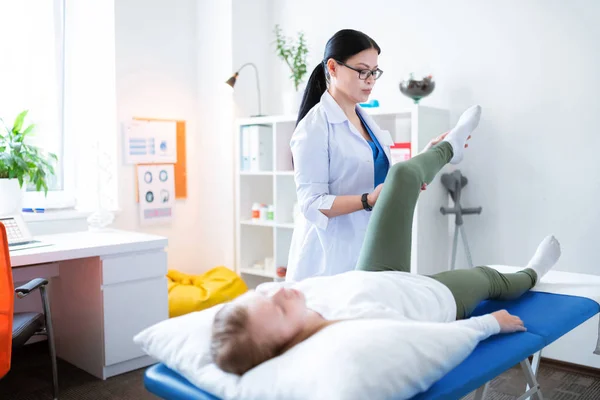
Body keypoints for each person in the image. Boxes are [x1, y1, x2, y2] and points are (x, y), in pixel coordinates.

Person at [210, 106, 562, 375]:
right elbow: (430, 342)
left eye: (372, 71)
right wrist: (489, 324)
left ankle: (451, 147)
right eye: (279, 308)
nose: (281, 292)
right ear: (286, 342)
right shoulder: (352, 337)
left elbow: (380, 171)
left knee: (404, 173)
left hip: (375, 270)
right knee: (487, 278)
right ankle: (534, 272)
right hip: (427, 297)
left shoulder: (302, 297)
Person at [287, 29, 452, 281]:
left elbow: (378, 173)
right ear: (333, 67)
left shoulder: (365, 119)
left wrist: (422, 160)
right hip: (329, 258)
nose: (370, 80)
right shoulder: (314, 127)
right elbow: (312, 204)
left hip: (368, 247)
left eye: (374, 72)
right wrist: (366, 200)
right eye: (362, 71)